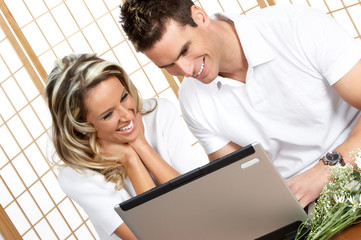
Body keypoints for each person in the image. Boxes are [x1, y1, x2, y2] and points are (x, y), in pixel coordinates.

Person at [120, 0, 361, 208]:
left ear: (200, 16)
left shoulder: (295, 25)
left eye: (185, 50)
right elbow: (240, 179)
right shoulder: (192, 100)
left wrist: (327, 170)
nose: (186, 70)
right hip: (300, 201)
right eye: (168, 65)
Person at [45, 53, 207, 240]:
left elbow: (196, 204)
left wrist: (141, 145)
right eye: (108, 115)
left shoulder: (160, 114)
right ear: (81, 128)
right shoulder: (76, 176)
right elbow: (157, 236)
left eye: (123, 97)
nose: (128, 116)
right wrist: (131, 161)